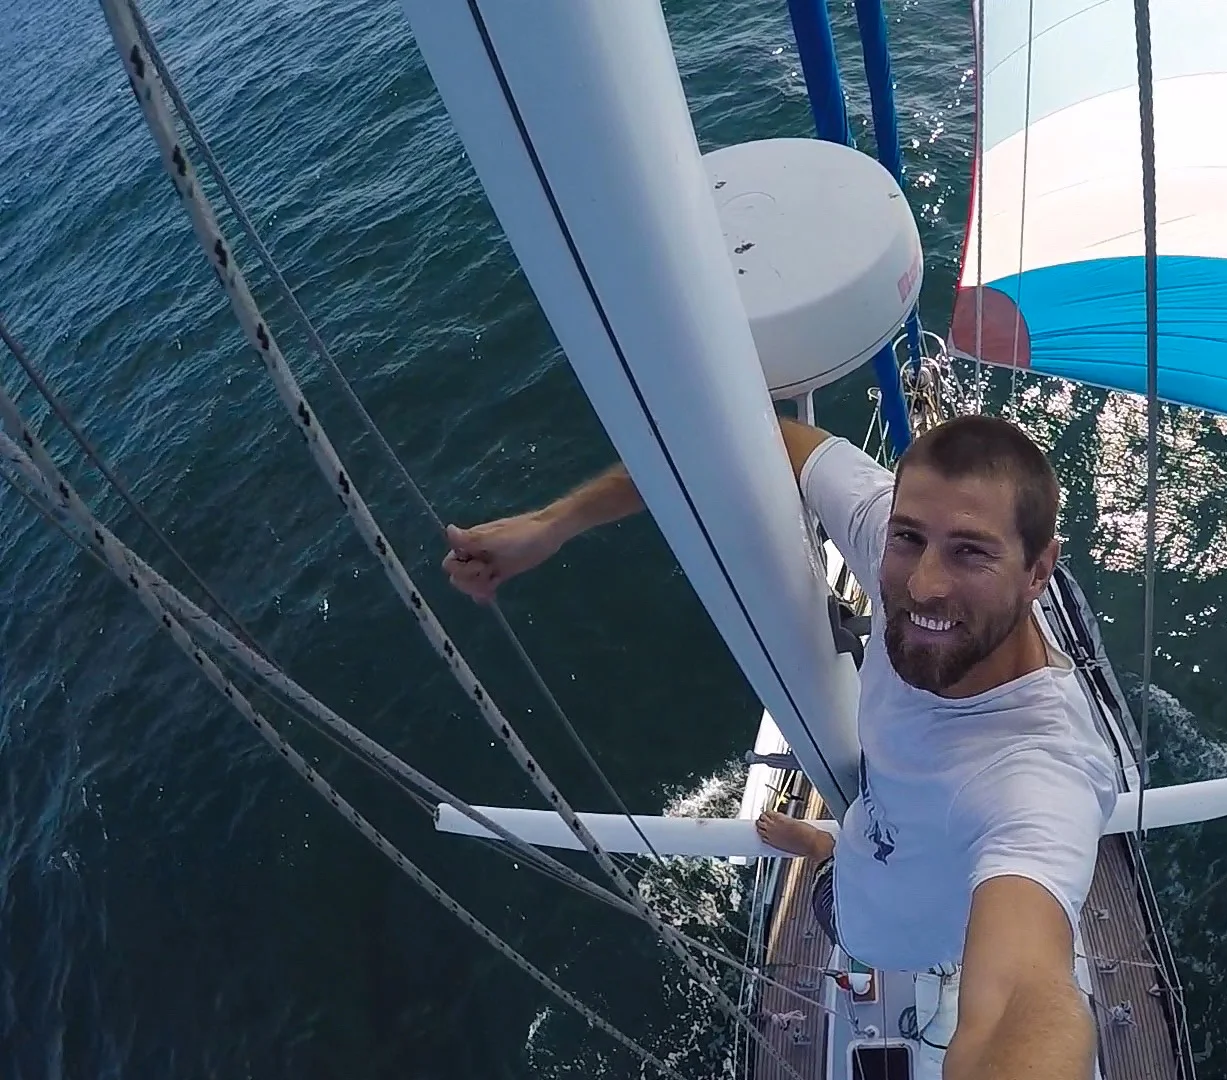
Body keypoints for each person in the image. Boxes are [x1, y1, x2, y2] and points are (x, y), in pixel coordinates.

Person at [443, 414, 1118, 1079]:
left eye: (971, 551)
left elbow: (1020, 999)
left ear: (1039, 570)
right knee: (847, 891)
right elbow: (742, 430)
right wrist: (553, 524)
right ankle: (830, 843)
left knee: (929, 952)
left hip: (933, 924)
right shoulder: (890, 532)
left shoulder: (1042, 771)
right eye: (909, 538)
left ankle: (832, 847)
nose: (922, 586)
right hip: (864, 886)